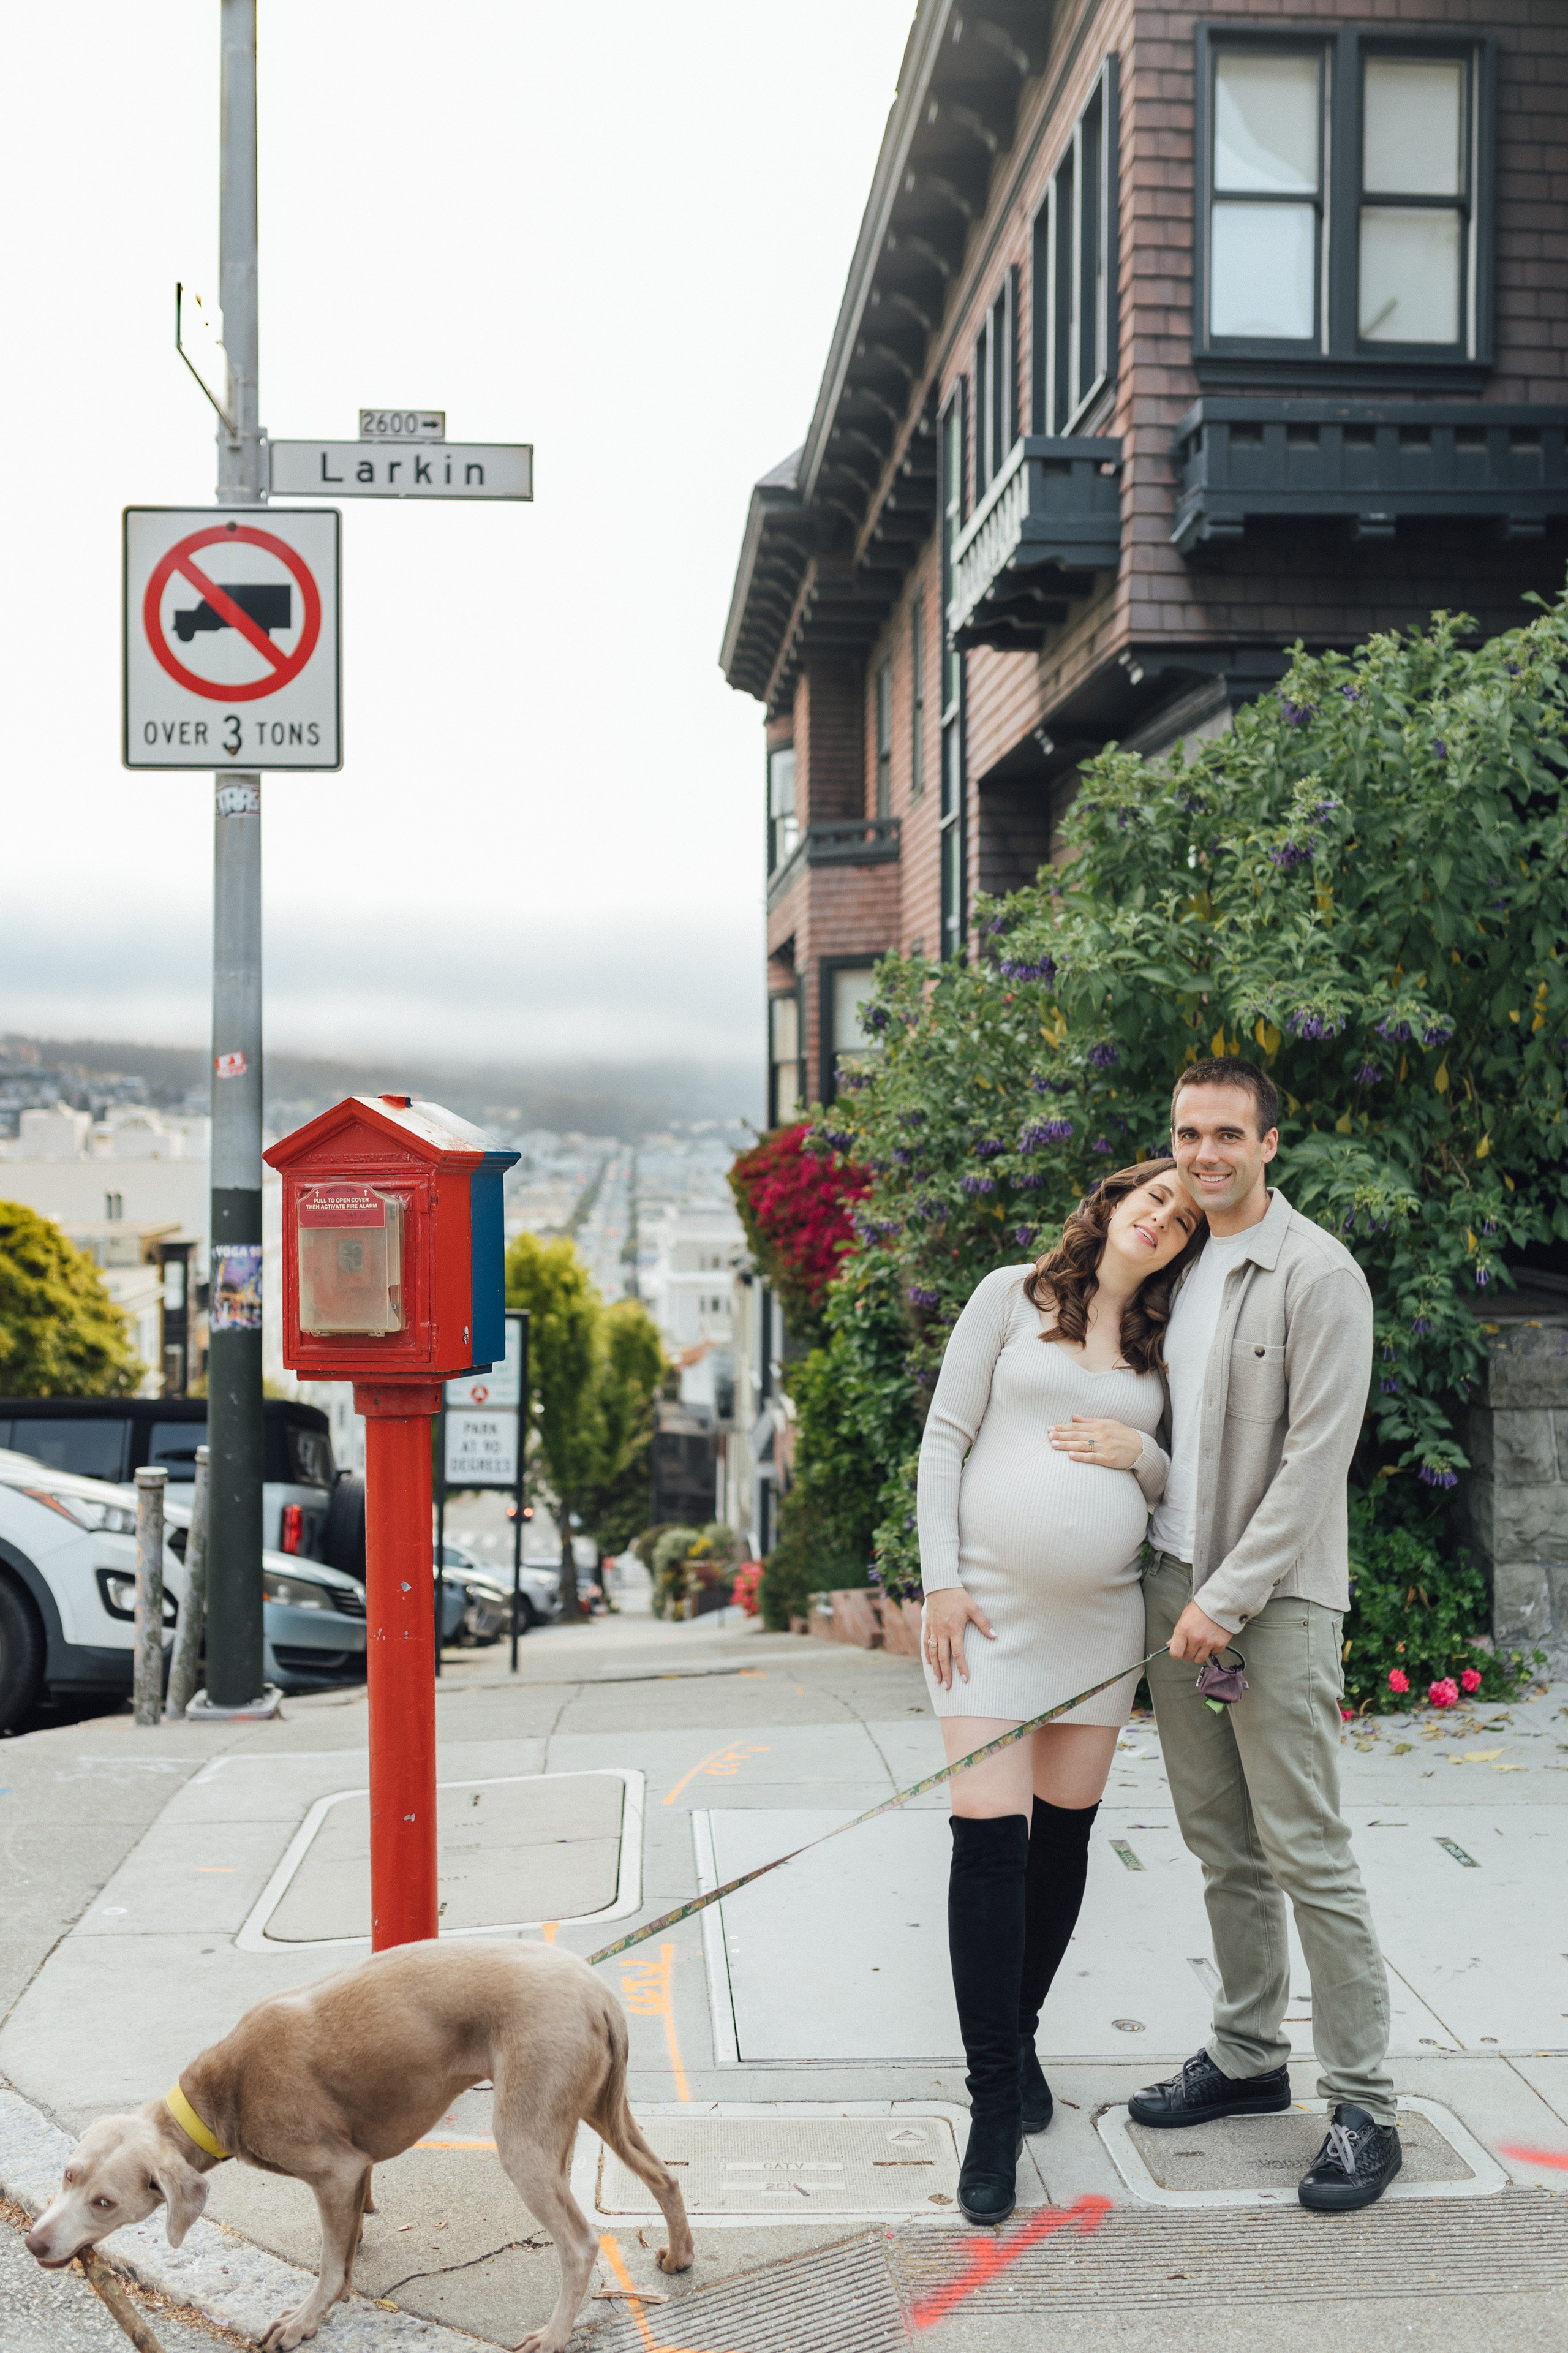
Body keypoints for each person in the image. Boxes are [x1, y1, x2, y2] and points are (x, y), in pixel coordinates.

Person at [1126, 1056, 1401, 2212]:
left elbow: (1312, 1465)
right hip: (1174, 1585)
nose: (1205, 1154)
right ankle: (1247, 2057)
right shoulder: (1181, 1263)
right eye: (1189, 1133)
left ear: (1270, 1143)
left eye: (1228, 1134)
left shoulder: (1317, 1273)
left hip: (1269, 1603)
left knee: (1308, 1850)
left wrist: (1225, 1597)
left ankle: (1366, 2106)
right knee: (1220, 1844)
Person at [918, 1160, 1205, 2224]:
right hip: (984, 1613)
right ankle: (995, 2106)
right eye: (1153, 1195)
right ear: (1113, 1198)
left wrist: (1146, 1457)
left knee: (1062, 1846)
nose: (1162, 1216)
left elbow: (1183, 1476)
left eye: (1180, 1219)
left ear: (1182, 1246)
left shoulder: (1161, 1348)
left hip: (1100, 1623)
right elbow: (945, 1439)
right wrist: (940, 1579)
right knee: (988, 1843)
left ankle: (1020, 2031)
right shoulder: (1010, 1295)